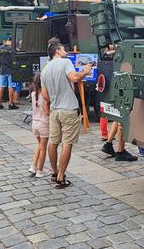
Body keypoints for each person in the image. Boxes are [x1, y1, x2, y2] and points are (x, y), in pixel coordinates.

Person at [40, 40, 92, 188]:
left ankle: (54, 172)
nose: (66, 51)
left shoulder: (45, 69)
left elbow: (45, 95)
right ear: (58, 51)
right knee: (67, 143)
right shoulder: (65, 62)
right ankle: (61, 177)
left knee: (53, 142)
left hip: (55, 110)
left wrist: (55, 99)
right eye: (63, 49)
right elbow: (74, 77)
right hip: (69, 109)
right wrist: (85, 72)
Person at [28, 73, 50, 177]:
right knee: (43, 148)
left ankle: (33, 166)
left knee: (39, 146)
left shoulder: (33, 94)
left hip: (35, 123)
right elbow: (46, 112)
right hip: (43, 124)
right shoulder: (45, 95)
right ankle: (40, 170)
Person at [0, 37, 18, 110]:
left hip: (2, 69)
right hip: (11, 70)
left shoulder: (1, 47)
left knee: (1, 86)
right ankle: (11, 103)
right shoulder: (12, 48)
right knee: (11, 86)